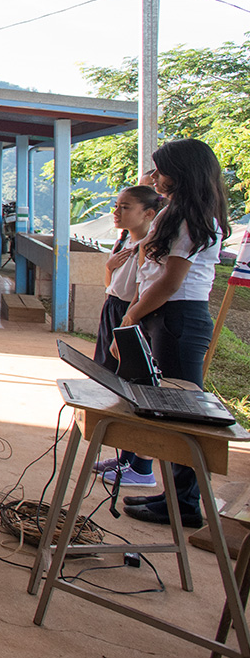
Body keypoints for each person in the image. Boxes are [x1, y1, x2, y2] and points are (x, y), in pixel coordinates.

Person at [118, 139, 230, 528]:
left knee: (183, 412)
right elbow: (151, 269)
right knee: (167, 407)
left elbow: (169, 282)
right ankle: (173, 496)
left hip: (178, 317)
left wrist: (133, 314)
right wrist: (136, 312)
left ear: (181, 174)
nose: (154, 177)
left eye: (161, 170)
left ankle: (184, 503)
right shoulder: (176, 212)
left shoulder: (191, 220)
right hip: (163, 315)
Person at [89, 185, 162, 488]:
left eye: (126, 207)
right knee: (116, 385)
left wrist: (129, 321)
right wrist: (109, 266)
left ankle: (142, 467)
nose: (117, 213)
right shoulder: (124, 242)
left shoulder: (150, 246)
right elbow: (111, 284)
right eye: (116, 206)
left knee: (136, 387)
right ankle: (125, 456)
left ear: (148, 214)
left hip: (131, 314)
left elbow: (144, 289)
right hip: (114, 308)